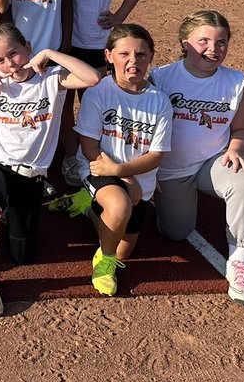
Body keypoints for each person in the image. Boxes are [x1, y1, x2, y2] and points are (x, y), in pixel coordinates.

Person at [0, 24, 100, 318]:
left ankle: (8, 214)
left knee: (23, 255)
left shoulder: (51, 78)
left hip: (31, 175)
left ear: (27, 46)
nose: (10, 64)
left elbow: (93, 77)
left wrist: (50, 53)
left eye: (14, 53)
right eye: (0, 60)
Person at [151, 10, 244, 306]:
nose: (213, 49)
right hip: (170, 169)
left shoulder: (235, 82)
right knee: (177, 232)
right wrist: (148, 173)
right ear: (185, 42)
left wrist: (236, 150)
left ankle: (239, 261)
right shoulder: (161, 77)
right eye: (204, 41)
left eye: (221, 42)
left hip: (212, 162)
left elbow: (241, 129)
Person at [73, 24, 171, 297]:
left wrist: (125, 172)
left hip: (136, 175)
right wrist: (123, 176)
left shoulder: (160, 101)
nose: (133, 61)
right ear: (108, 55)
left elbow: (157, 154)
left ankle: (88, 207)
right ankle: (104, 265)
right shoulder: (98, 92)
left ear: (151, 56)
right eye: (124, 53)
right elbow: (89, 147)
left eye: (141, 54)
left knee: (124, 252)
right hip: (99, 167)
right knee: (119, 205)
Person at [55, 0, 145, 187]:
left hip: (101, 41)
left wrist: (119, 17)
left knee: (100, 103)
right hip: (68, 42)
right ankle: (71, 158)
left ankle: (99, 158)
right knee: (66, 104)